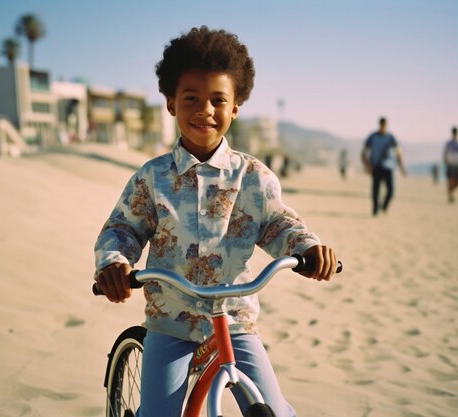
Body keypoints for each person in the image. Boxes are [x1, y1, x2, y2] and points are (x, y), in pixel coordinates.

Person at [93, 26, 338, 417]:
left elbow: (277, 224)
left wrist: (306, 248)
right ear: (171, 103)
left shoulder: (253, 177)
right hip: (171, 321)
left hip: (235, 322)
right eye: (191, 98)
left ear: (235, 107)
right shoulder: (152, 178)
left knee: (272, 409)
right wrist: (114, 263)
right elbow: (123, 229)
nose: (204, 109)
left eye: (217, 100)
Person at [361, 117, 407, 216]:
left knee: (391, 191)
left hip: (389, 167)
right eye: (382, 124)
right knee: (375, 190)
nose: (383, 126)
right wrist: (366, 165)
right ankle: (375, 210)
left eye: (385, 125)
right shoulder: (373, 137)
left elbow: (399, 152)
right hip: (376, 166)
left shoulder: (391, 138)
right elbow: (364, 152)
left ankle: (384, 206)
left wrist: (402, 167)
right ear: (380, 124)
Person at [443, 126, 458, 203]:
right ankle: (451, 195)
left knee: (457, 183)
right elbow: (445, 152)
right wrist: (445, 160)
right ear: (452, 133)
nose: (455, 134)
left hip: (457, 164)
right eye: (454, 133)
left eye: (456, 133)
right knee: (450, 181)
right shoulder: (449, 143)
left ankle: (451, 192)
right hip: (450, 164)